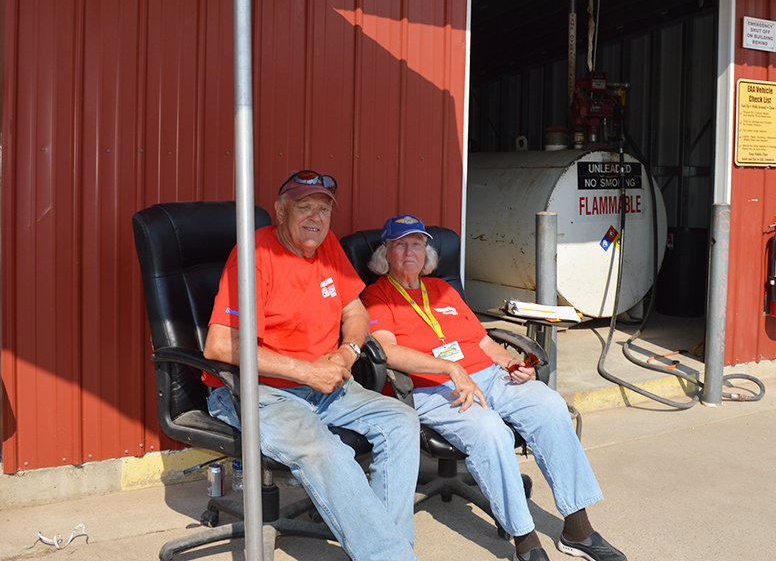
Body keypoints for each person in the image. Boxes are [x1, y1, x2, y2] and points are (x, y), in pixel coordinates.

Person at [361, 215, 626, 561]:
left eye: (417, 243)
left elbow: (482, 341)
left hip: (486, 375)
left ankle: (578, 529)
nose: (410, 251)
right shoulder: (376, 296)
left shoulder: (443, 290)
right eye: (400, 244)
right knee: (491, 431)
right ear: (385, 253)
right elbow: (387, 351)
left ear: (427, 252)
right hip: (432, 387)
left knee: (550, 406)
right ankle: (525, 539)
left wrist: (510, 363)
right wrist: (450, 368)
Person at [203, 171, 421, 561]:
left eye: (323, 209)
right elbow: (219, 346)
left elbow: (356, 311)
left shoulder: (328, 246)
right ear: (280, 211)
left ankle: (389, 549)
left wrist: (347, 352)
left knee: (401, 421)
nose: (315, 218)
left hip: (327, 382)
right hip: (262, 390)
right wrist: (306, 372)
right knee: (330, 453)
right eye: (304, 207)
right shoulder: (256, 254)